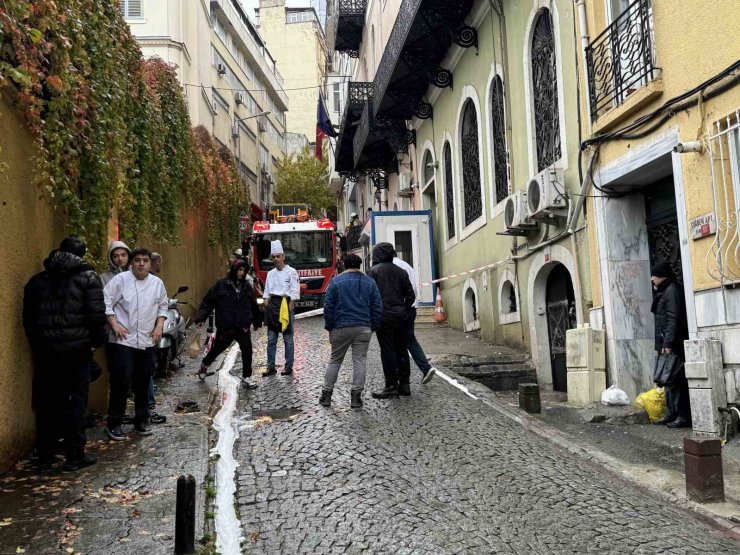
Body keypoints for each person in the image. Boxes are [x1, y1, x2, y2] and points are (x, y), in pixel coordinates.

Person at [23, 236, 107, 472]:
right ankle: (74, 455)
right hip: (77, 350)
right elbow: (96, 315)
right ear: (81, 254)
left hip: (46, 351)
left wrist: (39, 344)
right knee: (76, 400)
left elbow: (28, 319)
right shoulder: (88, 278)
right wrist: (94, 343)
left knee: (46, 400)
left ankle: (45, 457)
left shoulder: (37, 281)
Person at [104, 248, 168, 440]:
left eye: (145, 260)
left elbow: (163, 306)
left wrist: (159, 327)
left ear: (150, 263)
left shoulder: (157, 283)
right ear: (131, 263)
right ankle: (114, 422)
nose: (141, 264)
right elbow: (105, 302)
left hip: (148, 339)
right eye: (137, 260)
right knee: (121, 382)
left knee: (143, 381)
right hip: (123, 341)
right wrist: (114, 324)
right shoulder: (119, 281)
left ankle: (141, 419)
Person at [319, 254, 383, 409]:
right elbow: (378, 307)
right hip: (363, 327)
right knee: (360, 361)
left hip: (341, 327)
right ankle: (356, 397)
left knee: (335, 360)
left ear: (344, 265)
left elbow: (328, 308)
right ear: (359, 266)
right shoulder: (370, 282)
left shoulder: (336, 282)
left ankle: (327, 395)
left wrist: (329, 327)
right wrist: (372, 326)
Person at [195, 259, 263, 388]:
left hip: (242, 325)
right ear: (234, 270)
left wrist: (256, 321)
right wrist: (200, 318)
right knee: (217, 349)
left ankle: (247, 377)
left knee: (247, 350)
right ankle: (205, 364)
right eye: (239, 270)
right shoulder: (220, 285)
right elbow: (208, 302)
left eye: (244, 270)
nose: (241, 273)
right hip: (226, 326)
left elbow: (253, 304)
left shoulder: (246, 286)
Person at [367, 242, 415, 399]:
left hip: (384, 317)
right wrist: (405, 310)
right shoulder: (401, 272)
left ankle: (391, 386)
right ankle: (405, 384)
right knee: (401, 348)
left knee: (387, 350)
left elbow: (370, 297)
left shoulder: (373, 271)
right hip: (400, 316)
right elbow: (410, 296)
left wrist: (373, 315)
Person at [650, 261, 691, 428]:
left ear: (662, 275)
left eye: (654, 275)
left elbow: (673, 318)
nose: (652, 278)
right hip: (665, 342)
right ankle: (671, 413)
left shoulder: (671, 290)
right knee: (668, 381)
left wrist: (668, 342)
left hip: (673, 344)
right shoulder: (663, 291)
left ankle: (683, 416)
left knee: (677, 380)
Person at [392, 252, 436, 385]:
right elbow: (414, 287)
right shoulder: (407, 266)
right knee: (410, 339)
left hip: (399, 308)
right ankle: (425, 368)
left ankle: (401, 376)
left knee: (397, 343)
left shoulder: (392, 267)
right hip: (412, 307)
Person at [262, 240, 300, 376]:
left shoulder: (292, 272)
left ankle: (288, 366)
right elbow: (266, 291)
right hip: (273, 306)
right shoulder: (270, 274)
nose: (276, 259)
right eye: (273, 257)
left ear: (283, 256)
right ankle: (270, 366)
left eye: (278, 256)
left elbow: (295, 290)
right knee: (271, 339)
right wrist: (266, 303)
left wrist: (291, 304)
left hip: (285, 304)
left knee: (288, 338)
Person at [147, 252, 166, 425]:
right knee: (146, 370)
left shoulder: (155, 282)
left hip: (148, 332)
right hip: (146, 334)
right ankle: (149, 406)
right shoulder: (153, 282)